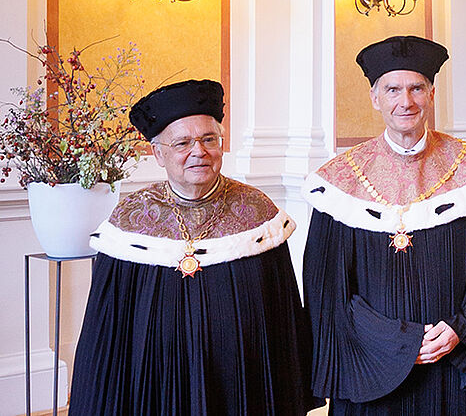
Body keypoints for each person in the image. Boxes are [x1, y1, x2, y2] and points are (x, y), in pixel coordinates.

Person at [69, 79, 319, 415]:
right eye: (182, 142)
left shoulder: (258, 213)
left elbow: (282, 319)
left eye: (208, 139)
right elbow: (107, 332)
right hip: (154, 384)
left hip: (241, 385)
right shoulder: (131, 219)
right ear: (158, 153)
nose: (198, 151)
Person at [301, 35, 466, 415]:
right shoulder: (339, 180)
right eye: (392, 89)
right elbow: (326, 289)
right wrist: (397, 343)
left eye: (416, 88)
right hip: (367, 365)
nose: (405, 101)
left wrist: (462, 328)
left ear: (431, 94)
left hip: (449, 361)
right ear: (374, 97)